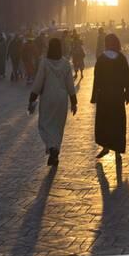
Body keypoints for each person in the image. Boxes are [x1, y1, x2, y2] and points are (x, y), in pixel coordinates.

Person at [27, 38, 77, 166]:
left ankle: (51, 147)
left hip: (48, 98)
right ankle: (55, 149)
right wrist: (74, 101)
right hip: (61, 99)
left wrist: (32, 97)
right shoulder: (66, 63)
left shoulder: (44, 63)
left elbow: (38, 82)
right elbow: (70, 84)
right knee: (58, 126)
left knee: (45, 124)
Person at [90, 34, 129, 160]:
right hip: (117, 96)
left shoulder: (101, 59)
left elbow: (96, 79)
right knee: (117, 122)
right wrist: (128, 94)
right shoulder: (121, 58)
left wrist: (94, 96)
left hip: (104, 96)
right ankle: (117, 149)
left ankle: (105, 146)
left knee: (104, 122)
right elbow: (127, 77)